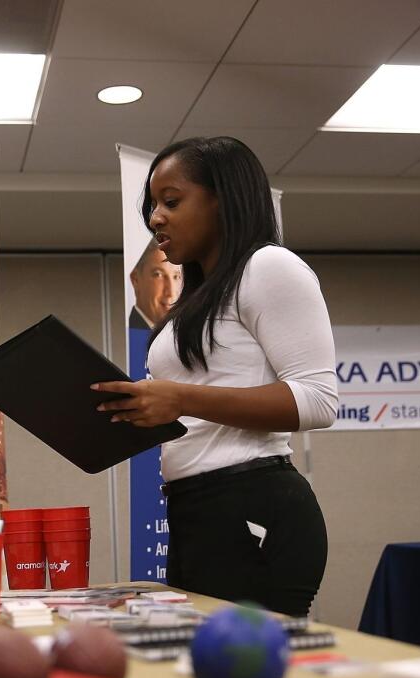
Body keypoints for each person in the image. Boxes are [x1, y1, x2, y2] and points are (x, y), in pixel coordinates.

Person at [93, 137, 337, 616]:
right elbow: (194, 408)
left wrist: (180, 398)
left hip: (253, 505)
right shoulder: (196, 300)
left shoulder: (269, 267)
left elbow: (317, 400)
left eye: (171, 201)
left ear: (221, 197)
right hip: (195, 510)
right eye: (151, 206)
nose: (154, 218)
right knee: (203, 675)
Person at [128, 239, 182, 330]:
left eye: (176, 276)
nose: (171, 292)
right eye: (158, 274)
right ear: (135, 279)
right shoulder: (130, 338)